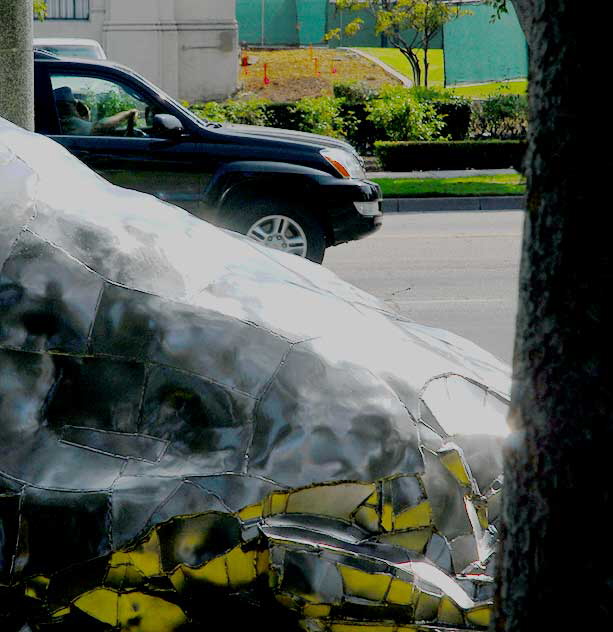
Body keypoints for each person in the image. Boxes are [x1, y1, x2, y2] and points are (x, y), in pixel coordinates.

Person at [53, 86, 138, 136]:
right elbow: (100, 126)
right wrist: (127, 114)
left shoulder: (57, 122)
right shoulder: (69, 121)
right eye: (73, 105)